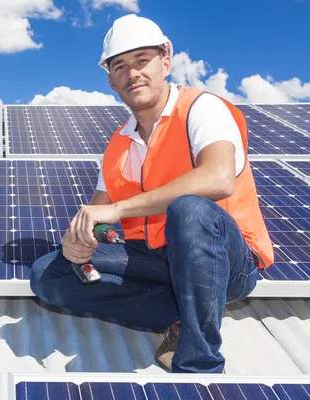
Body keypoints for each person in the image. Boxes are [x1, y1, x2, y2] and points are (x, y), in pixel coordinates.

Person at [29, 13, 274, 374]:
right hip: (158, 261)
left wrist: (119, 209)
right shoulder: (118, 144)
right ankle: (176, 310)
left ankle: (198, 361)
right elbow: (97, 219)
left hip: (227, 262)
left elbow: (219, 178)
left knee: (190, 209)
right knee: (48, 274)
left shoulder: (202, 108)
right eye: (120, 66)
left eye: (142, 61)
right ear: (111, 81)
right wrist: (77, 242)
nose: (133, 74)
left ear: (166, 61)